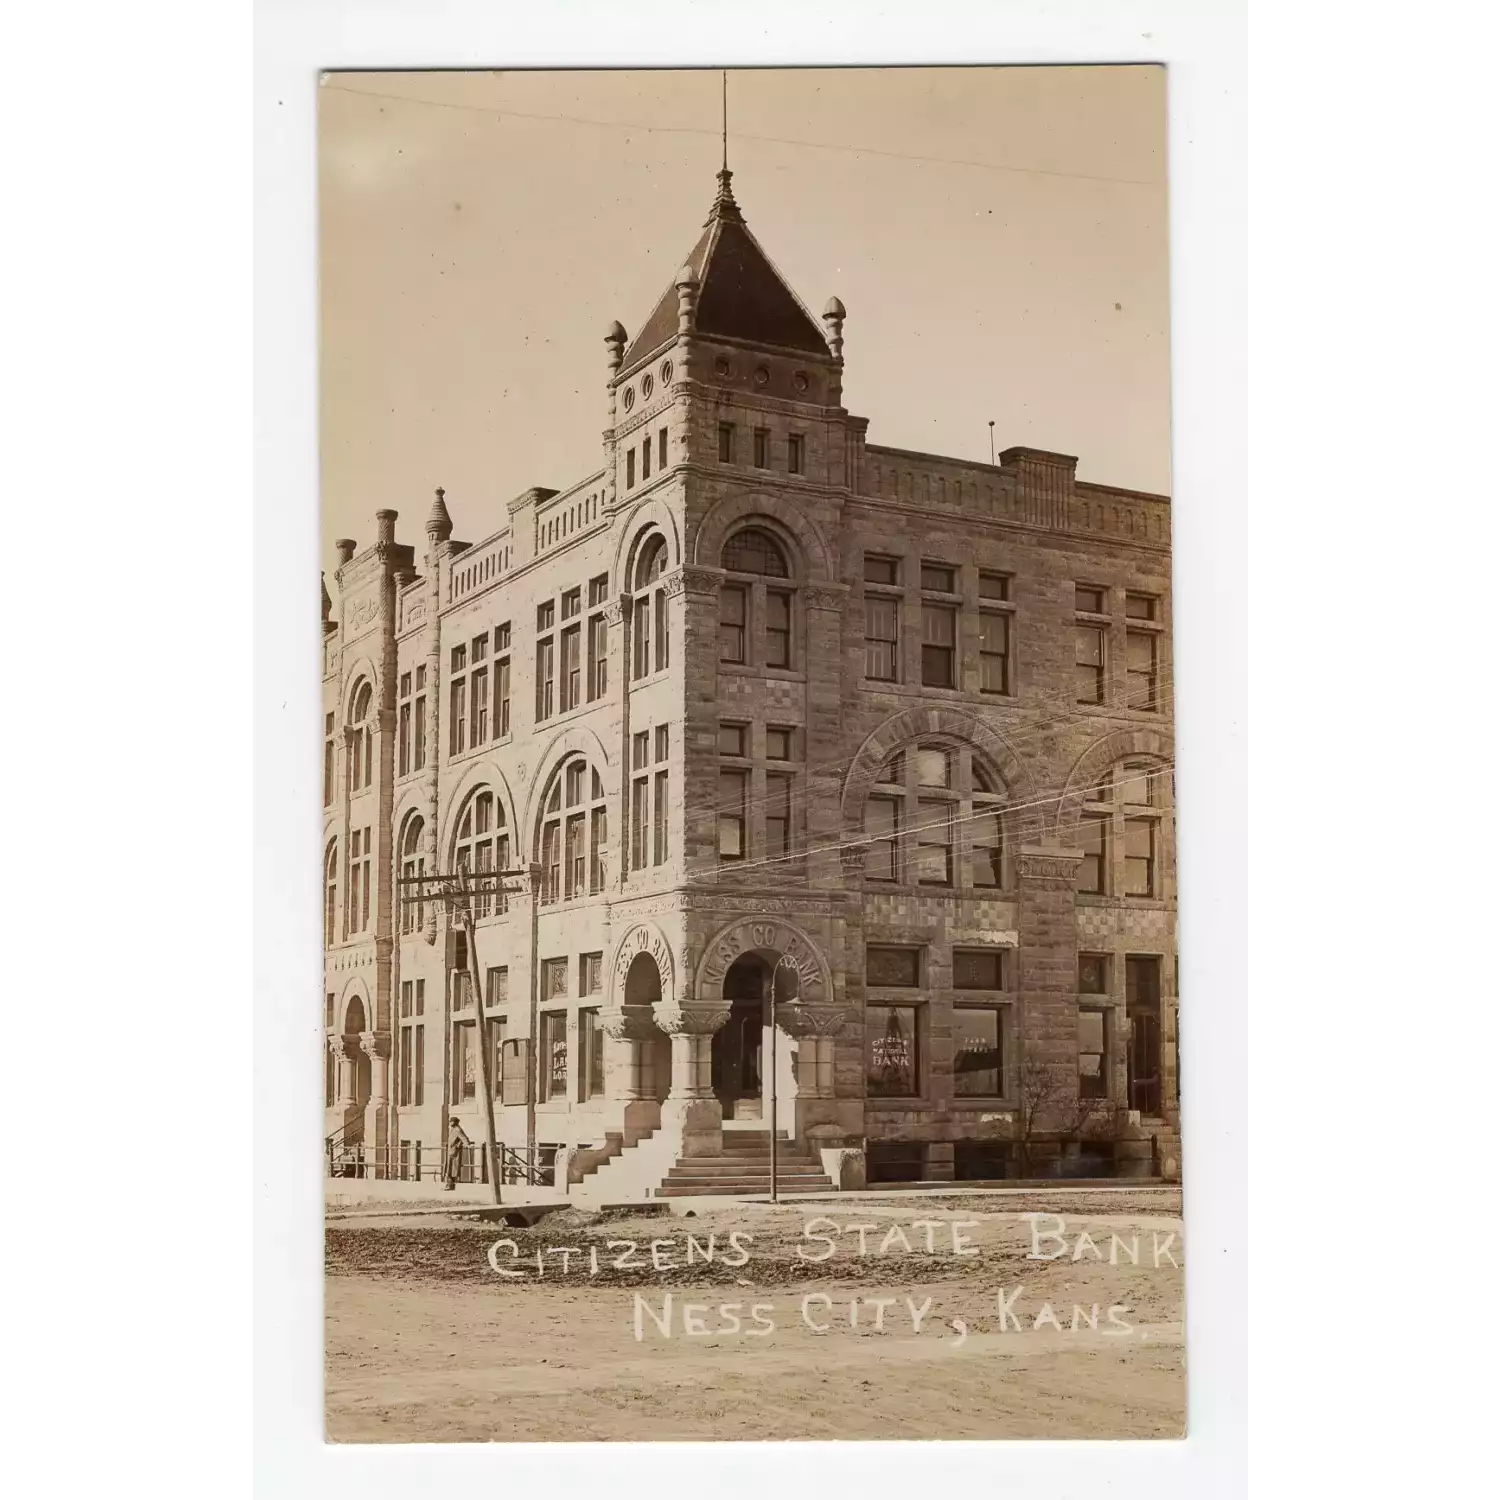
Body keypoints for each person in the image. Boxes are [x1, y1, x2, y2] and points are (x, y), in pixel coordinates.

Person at [442, 1117, 468, 1191]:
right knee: (450, 1169)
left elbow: (464, 1138)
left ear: (454, 1122)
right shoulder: (454, 1129)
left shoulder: (457, 1130)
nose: (449, 1123)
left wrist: (463, 1144)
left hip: (453, 1153)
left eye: (451, 1121)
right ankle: (451, 1186)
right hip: (450, 1151)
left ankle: (449, 1186)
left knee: (451, 1169)